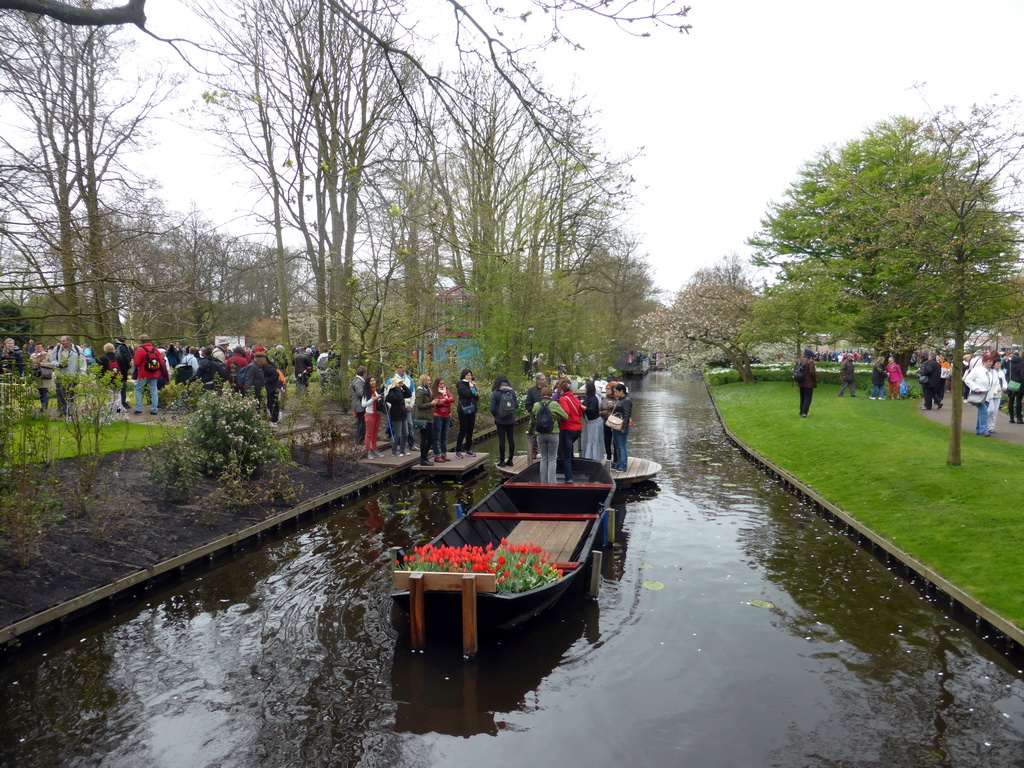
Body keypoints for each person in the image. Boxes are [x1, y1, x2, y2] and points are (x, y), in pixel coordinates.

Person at [529, 386, 568, 483]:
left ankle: (543, 482)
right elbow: (565, 417)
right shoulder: (554, 404)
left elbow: (532, 421)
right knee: (552, 458)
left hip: (540, 434)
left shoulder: (536, 405)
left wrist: (530, 431)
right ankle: (551, 483)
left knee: (543, 458)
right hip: (553, 433)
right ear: (551, 394)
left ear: (541, 395)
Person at [51, 335, 88, 416]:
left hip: (73, 374)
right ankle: (62, 412)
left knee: (71, 394)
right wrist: (57, 364)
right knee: (61, 394)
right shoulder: (57, 349)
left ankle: (70, 411)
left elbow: (82, 361)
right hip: (60, 375)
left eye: (64, 341)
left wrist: (82, 372)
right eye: (61, 341)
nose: (62, 343)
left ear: (69, 341)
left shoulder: (77, 349)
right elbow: (52, 361)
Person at [963, 353, 997, 436]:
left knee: (981, 413)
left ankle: (978, 430)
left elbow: (995, 383)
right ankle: (984, 430)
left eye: (991, 361)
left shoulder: (992, 372)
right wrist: (975, 388)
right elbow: (967, 379)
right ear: (984, 361)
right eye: (989, 361)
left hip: (988, 395)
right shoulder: (977, 370)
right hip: (978, 395)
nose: (990, 363)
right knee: (984, 412)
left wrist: (994, 392)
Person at [556, 378, 583, 483]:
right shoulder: (576, 399)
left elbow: (565, 413)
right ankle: (573, 472)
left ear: (562, 390)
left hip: (567, 429)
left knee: (566, 456)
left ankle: (569, 479)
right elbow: (580, 412)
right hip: (578, 429)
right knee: (570, 451)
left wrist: (558, 414)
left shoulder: (563, 399)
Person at [489, 374, 518, 467]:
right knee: (511, 439)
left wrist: (497, 416)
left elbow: (492, 408)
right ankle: (510, 460)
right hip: (511, 419)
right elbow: (516, 405)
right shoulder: (511, 391)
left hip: (500, 420)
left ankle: (501, 461)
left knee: (502, 441)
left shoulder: (495, 393)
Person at [385, 365, 416, 451]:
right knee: (398, 432)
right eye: (400, 368)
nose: (402, 369)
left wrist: (411, 404)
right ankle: (395, 448)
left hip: (405, 410)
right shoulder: (392, 388)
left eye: (403, 367)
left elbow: (410, 394)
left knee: (407, 429)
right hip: (396, 412)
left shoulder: (408, 380)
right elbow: (391, 396)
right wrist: (398, 388)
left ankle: (407, 446)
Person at [132, 335, 165, 416]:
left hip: (143, 373)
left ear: (141, 341)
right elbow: (161, 362)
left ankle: (139, 409)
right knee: (154, 390)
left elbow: (136, 363)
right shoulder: (155, 349)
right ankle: (154, 409)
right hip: (154, 373)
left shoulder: (140, 350)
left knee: (139, 390)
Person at [454, 368, 479, 458]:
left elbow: (476, 397)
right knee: (463, 430)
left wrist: (474, 389)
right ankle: (457, 450)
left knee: (470, 430)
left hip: (472, 409)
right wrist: (472, 387)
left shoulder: (471, 385)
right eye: (468, 375)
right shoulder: (461, 385)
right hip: (463, 409)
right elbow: (468, 394)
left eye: (470, 375)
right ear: (464, 376)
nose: (469, 377)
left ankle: (468, 449)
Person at [384, 375, 411, 457]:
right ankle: (394, 450)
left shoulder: (400, 391)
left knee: (406, 432)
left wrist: (404, 386)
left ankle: (402, 449)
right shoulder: (391, 394)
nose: (400, 384)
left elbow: (408, 394)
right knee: (397, 434)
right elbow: (399, 398)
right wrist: (398, 388)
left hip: (403, 414)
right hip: (396, 415)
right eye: (399, 383)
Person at [431, 376, 456, 462]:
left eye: (443, 383)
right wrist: (446, 400)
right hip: (438, 415)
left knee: (444, 436)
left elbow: (453, 399)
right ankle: (437, 455)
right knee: (437, 436)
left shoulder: (446, 391)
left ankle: (444, 454)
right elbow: (438, 403)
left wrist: (444, 400)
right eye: (440, 384)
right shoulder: (434, 392)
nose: (442, 385)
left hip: (447, 415)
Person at [609, 383, 633, 472]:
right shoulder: (620, 400)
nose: (614, 393)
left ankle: (623, 466)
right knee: (617, 446)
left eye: (616, 392)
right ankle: (618, 464)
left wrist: (624, 428)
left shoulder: (626, 401)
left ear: (621, 391)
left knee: (622, 446)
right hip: (616, 426)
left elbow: (627, 415)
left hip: (622, 426)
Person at [524, 373, 547, 462]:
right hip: (535, 416)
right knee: (534, 434)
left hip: (546, 415)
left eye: (545, 379)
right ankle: (534, 452)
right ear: (537, 380)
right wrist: (532, 412)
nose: (544, 381)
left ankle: (545, 452)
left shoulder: (548, 389)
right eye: (542, 379)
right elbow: (528, 403)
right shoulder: (532, 390)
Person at [414, 373, 436, 466]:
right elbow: (419, 405)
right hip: (423, 418)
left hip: (429, 417)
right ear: (423, 381)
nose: (430, 382)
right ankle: (423, 459)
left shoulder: (428, 390)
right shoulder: (420, 391)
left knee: (431, 439)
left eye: (430, 380)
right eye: (428, 380)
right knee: (425, 438)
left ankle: (424, 456)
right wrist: (431, 404)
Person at [580, 378, 604, 460]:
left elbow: (592, 410)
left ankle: (594, 458)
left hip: (594, 423)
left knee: (593, 441)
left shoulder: (594, 398)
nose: (584, 389)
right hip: (589, 422)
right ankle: (588, 456)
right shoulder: (587, 398)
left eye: (586, 388)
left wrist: (583, 407)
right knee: (588, 440)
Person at [361, 375, 384, 457]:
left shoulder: (376, 390)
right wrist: (373, 399)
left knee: (375, 433)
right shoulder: (367, 392)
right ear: (368, 383)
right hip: (370, 414)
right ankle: (368, 451)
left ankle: (374, 449)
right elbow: (363, 404)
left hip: (377, 414)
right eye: (371, 381)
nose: (373, 382)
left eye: (374, 380)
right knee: (369, 434)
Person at [28, 342, 53, 411]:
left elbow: (52, 364)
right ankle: (42, 406)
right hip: (37, 375)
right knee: (40, 391)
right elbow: (29, 365)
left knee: (44, 391)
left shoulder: (48, 354)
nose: (38, 348)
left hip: (45, 375)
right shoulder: (32, 355)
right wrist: (34, 366)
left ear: (43, 348)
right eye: (36, 347)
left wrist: (43, 364)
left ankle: (44, 407)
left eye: (40, 347)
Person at [988, 358, 1008, 434]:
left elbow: (1004, 381)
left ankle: (991, 427)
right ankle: (986, 425)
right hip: (991, 394)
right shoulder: (991, 372)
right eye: (998, 363)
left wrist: (1005, 386)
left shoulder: (1001, 373)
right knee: (990, 410)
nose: (999, 365)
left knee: (995, 412)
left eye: (1000, 363)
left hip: (998, 394)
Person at [796, 348, 818, 417]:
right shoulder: (810, 361)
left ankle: (801, 411)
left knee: (802, 397)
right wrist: (815, 380)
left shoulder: (798, 360)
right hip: (808, 382)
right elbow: (812, 372)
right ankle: (804, 412)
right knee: (808, 397)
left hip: (800, 381)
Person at [350, 366, 367, 445]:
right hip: (359, 405)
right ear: (364, 373)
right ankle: (359, 439)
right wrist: (368, 391)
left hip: (359, 404)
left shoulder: (358, 381)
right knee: (361, 423)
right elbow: (360, 393)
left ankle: (360, 439)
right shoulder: (358, 382)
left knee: (361, 422)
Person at [1007, 351, 1024, 424]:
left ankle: (1011, 418)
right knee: (1018, 401)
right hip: (1019, 384)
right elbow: (1022, 375)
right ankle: (1019, 418)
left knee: (1011, 400)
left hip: (1011, 383)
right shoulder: (1022, 363)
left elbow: (1007, 373)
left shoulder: (1010, 363)